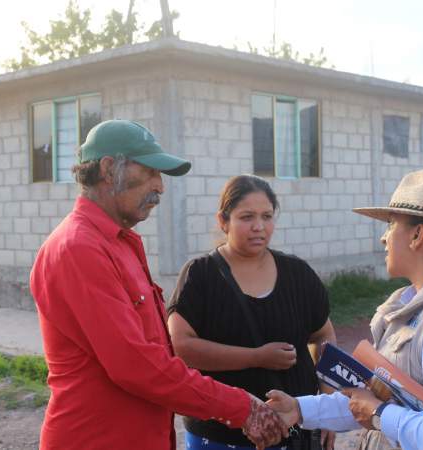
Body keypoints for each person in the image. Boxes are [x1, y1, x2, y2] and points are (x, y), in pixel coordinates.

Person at [29, 120, 288, 450]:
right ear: (109, 169)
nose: (160, 187)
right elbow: (135, 365)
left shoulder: (118, 242)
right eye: (151, 172)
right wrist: (240, 407)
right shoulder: (80, 248)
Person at [266, 168, 423, 450]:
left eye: (391, 224)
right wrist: (300, 409)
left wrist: (380, 414)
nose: (383, 238)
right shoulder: (415, 306)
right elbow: (376, 397)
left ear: (417, 235)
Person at [167, 175, 338, 450]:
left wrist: (327, 406)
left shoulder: (298, 274)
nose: (259, 227)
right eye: (246, 217)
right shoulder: (200, 275)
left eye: (267, 216)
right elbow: (182, 346)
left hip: (294, 434)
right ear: (224, 221)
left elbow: (323, 336)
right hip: (220, 435)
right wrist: (256, 357)